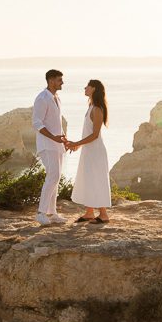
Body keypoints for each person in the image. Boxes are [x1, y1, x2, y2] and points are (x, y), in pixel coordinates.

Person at [66, 79, 111, 224]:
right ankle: (89, 212)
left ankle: (103, 214)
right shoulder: (91, 106)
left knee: (97, 179)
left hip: (96, 151)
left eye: (87, 86)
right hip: (89, 149)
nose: (84, 88)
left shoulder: (97, 109)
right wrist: (78, 146)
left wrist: (77, 143)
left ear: (93, 89)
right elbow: (88, 133)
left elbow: (95, 135)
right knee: (88, 179)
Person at [33, 69, 67, 225]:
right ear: (51, 80)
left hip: (57, 145)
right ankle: (41, 213)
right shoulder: (42, 98)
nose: (62, 82)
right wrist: (53, 137)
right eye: (60, 80)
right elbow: (37, 123)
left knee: (56, 177)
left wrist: (63, 140)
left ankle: (52, 213)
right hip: (47, 145)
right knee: (52, 176)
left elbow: (56, 124)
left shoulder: (56, 98)